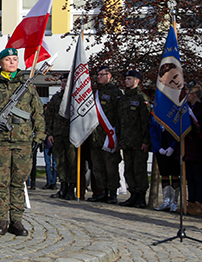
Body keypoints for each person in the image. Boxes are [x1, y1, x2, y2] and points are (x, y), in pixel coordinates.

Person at [0, 48, 45, 237]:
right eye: (8, 59)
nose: (12, 62)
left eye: (15, 59)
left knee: (19, 182)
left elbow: (38, 113)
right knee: (0, 182)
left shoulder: (27, 87)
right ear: (0, 62)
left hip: (23, 142)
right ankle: (2, 220)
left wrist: (39, 137)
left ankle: (16, 221)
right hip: (0, 142)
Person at [87, 65, 122, 204]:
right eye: (98, 74)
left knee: (111, 166)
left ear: (109, 76)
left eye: (103, 74)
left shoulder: (115, 92)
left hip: (109, 136)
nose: (99, 77)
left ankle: (112, 193)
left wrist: (117, 135)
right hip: (95, 137)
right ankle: (102, 192)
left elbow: (119, 116)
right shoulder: (94, 93)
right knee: (97, 167)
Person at [116, 69, 151, 208]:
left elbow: (146, 122)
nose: (126, 81)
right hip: (126, 141)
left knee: (139, 170)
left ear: (137, 81)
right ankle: (133, 195)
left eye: (129, 79)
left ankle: (141, 197)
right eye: (126, 79)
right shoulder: (123, 98)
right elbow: (119, 121)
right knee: (128, 169)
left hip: (138, 142)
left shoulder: (141, 98)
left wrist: (145, 141)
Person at [44, 84, 79, 201]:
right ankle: (62, 187)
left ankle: (71, 188)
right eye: (63, 81)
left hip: (72, 135)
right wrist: (49, 133)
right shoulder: (56, 98)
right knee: (60, 162)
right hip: (58, 134)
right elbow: (49, 116)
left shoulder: (76, 97)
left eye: (66, 81)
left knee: (72, 162)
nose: (64, 84)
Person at [184, 84, 202, 216]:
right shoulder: (187, 108)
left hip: (199, 146)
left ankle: (199, 202)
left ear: (193, 95)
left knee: (198, 176)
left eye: (187, 92)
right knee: (189, 176)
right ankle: (191, 201)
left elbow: (201, 127)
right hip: (188, 146)